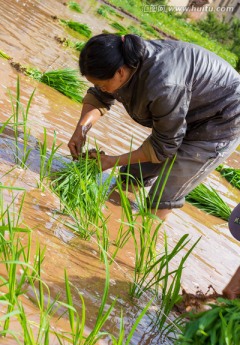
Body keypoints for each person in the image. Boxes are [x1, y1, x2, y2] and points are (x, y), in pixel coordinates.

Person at [68, 34, 240, 298]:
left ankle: (133, 263)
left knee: (164, 193)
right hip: (186, 108)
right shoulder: (123, 60)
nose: (100, 89)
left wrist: (111, 161)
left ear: (121, 73)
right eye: (96, 84)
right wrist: (82, 128)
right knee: (133, 174)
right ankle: (114, 230)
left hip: (221, 118)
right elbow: (98, 98)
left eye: (103, 84)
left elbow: (164, 147)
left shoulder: (163, 83)